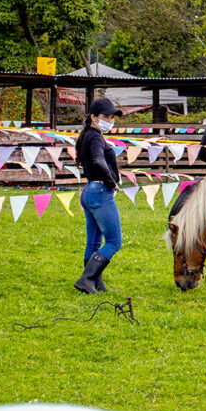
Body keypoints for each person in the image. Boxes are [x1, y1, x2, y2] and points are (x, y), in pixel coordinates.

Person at [75, 97, 124, 294]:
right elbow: (97, 160)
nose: (110, 120)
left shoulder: (87, 135)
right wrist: (111, 182)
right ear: (93, 117)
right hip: (100, 191)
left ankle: (95, 281)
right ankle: (86, 279)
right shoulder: (95, 137)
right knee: (114, 241)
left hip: (89, 191)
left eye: (112, 117)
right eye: (106, 116)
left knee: (94, 242)